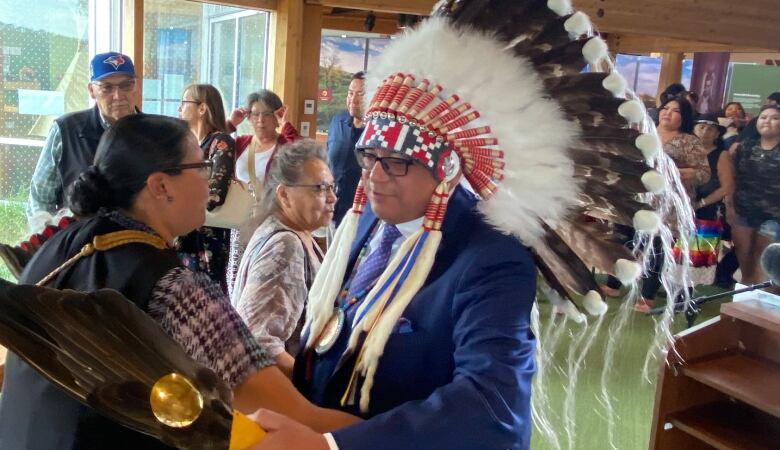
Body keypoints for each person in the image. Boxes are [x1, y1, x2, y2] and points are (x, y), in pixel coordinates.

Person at [244, 4, 691, 449]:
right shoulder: (367, 226)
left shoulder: (492, 258)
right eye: (369, 157)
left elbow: (493, 405)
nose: (374, 176)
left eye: (397, 162)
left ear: (447, 170)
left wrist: (333, 445)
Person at [0, 114, 357, 449]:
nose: (211, 177)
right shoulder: (172, 286)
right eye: (202, 166)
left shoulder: (58, 245)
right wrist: (391, 430)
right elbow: (298, 417)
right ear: (161, 186)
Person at [232, 140, 335, 378]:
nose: (331, 198)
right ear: (284, 194)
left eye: (331, 187)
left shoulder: (294, 232)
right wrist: (311, 389)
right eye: (319, 188)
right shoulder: (284, 245)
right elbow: (258, 342)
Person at [26, 51, 139, 232]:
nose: (118, 95)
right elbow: (40, 198)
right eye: (107, 88)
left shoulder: (155, 134)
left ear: (136, 87)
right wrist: (50, 243)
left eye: (126, 85)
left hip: (140, 246)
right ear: (91, 90)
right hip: (80, 246)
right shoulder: (66, 130)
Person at [225, 90, 301, 296]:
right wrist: (230, 123)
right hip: (242, 221)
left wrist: (286, 124)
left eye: (267, 114)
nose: (260, 120)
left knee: (267, 274)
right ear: (248, 117)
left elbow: (303, 154)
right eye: (255, 114)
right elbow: (213, 144)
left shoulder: (284, 144)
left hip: (274, 221)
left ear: (276, 116)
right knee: (238, 272)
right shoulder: (240, 143)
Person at [177, 84, 236, 291]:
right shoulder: (186, 143)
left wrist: (177, 200)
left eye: (184, 103)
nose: (180, 108)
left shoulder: (221, 142)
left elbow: (216, 193)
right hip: (182, 232)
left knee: (207, 293)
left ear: (202, 108)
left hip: (208, 236)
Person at [726, 104, 780, 287]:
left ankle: (761, 302)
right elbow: (731, 179)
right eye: (764, 117)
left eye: (774, 118)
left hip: (774, 216)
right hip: (744, 212)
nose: (768, 121)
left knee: (763, 261)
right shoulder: (744, 147)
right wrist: (730, 206)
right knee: (745, 264)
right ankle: (743, 304)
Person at [327, 72, 365, 226]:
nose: (353, 100)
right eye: (350, 93)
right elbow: (327, 161)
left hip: (360, 213)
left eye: (361, 94)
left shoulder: (378, 130)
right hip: (332, 207)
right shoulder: (337, 121)